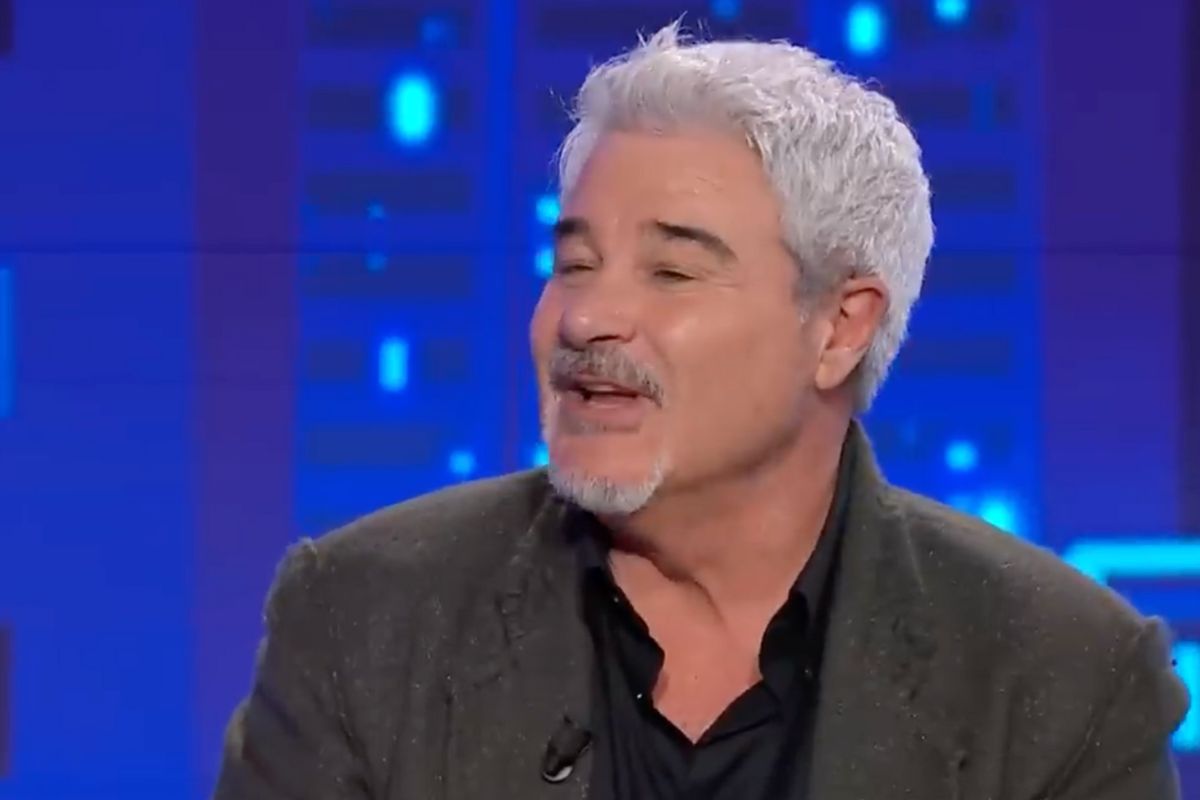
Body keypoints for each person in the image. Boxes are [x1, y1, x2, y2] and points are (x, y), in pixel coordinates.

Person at [213, 23, 1189, 800]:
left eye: (672, 270)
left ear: (839, 327)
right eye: (574, 262)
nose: (586, 316)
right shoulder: (363, 621)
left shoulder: (1063, 678)